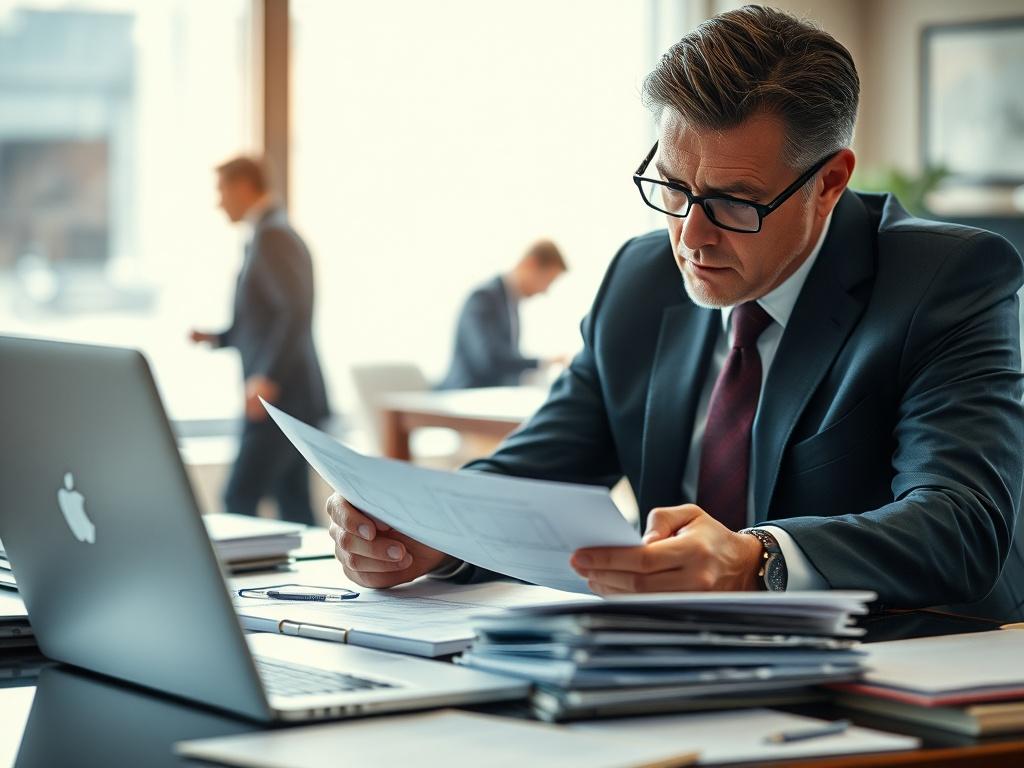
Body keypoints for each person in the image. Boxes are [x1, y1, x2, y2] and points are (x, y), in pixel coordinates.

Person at [326, 6, 1024, 620]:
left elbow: (961, 527)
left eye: (732, 201)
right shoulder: (640, 279)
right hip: (669, 667)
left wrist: (755, 560)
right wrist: (430, 532)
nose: (691, 236)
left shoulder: (944, 280)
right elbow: (537, 476)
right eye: (671, 186)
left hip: (902, 668)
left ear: (831, 182)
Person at [190, 156, 329, 525]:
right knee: (293, 503)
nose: (218, 203)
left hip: (282, 396)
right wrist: (218, 337)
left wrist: (265, 375)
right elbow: (264, 320)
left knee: (239, 496)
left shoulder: (274, 235)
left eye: (221, 191)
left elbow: (294, 311)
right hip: (289, 396)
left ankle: (233, 585)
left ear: (242, 187)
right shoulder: (266, 234)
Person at [438, 240, 568, 389]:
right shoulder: (483, 298)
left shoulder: (510, 302)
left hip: (493, 396)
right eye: (547, 280)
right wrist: (543, 362)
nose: (545, 291)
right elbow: (489, 360)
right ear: (531, 264)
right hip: (465, 394)